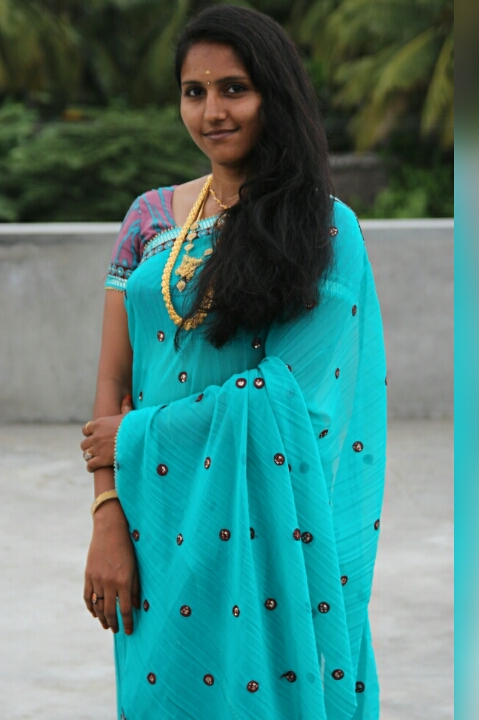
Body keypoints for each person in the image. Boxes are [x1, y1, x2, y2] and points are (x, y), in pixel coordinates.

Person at [79, 5, 387, 719]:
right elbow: (112, 382)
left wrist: (135, 437)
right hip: (156, 526)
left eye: (234, 89)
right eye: (195, 91)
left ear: (273, 94)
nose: (212, 111)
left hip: (271, 537)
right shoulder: (149, 218)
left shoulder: (323, 228)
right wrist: (105, 516)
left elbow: (298, 402)